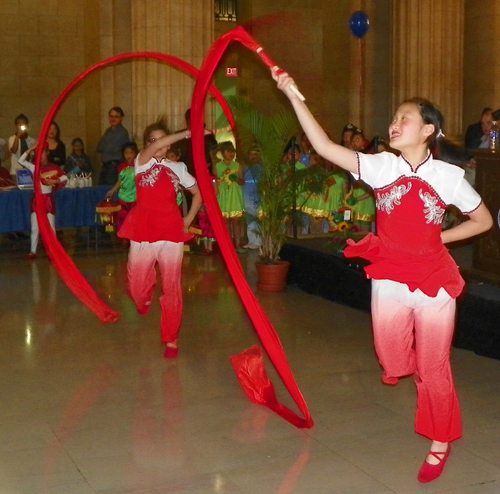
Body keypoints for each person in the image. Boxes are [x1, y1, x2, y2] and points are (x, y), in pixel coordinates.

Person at [274, 70, 493, 483]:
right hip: (390, 273)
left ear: (429, 130)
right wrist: (291, 95)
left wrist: (440, 237)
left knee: (434, 365)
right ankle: (410, 363)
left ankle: (439, 441)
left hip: (432, 277)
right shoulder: (380, 166)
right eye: (394, 117)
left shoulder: (449, 177)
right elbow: (322, 145)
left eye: (404, 117)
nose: (394, 123)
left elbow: (481, 220)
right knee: (390, 355)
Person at [117, 120, 202, 358]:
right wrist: (188, 132)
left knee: (172, 286)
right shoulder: (142, 162)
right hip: (143, 230)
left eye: (162, 141)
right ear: (147, 145)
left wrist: (188, 219)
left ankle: (171, 338)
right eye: (153, 141)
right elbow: (156, 147)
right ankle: (144, 297)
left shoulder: (179, 168)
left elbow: (197, 194)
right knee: (136, 286)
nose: (159, 145)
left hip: (172, 231)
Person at [18, 141, 68, 258]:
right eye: (37, 153)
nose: (39, 156)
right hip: (37, 200)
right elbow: (21, 160)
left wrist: (55, 181)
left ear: (47, 153)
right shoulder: (34, 167)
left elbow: (65, 176)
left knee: (51, 227)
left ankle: (53, 251)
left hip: (48, 199)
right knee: (35, 227)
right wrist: (32, 148)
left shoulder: (54, 167)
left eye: (42, 153)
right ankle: (33, 251)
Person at [215, 141, 246, 253]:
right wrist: (219, 181)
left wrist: (236, 178)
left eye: (233, 151)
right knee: (226, 221)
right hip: (223, 196)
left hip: (234, 196)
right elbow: (214, 181)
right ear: (222, 153)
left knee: (236, 221)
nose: (231, 154)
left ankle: (237, 244)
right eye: (228, 151)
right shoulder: (217, 166)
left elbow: (242, 182)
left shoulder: (238, 165)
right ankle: (228, 245)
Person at [106, 141, 138, 235]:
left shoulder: (138, 166)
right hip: (123, 196)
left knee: (134, 216)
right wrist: (113, 191)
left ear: (135, 153)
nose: (128, 155)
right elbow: (119, 181)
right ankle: (124, 235)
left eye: (131, 153)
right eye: (126, 153)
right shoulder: (121, 167)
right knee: (123, 216)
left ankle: (134, 234)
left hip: (135, 196)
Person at [97, 107, 130, 185]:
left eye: (116, 116)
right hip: (105, 167)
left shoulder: (122, 132)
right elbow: (99, 147)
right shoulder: (108, 130)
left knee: (110, 191)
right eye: (111, 116)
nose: (113, 119)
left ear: (121, 118)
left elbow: (109, 147)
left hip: (114, 167)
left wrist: (106, 146)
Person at [242, 146, 262, 249]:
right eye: (251, 154)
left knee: (257, 217)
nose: (253, 157)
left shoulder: (262, 169)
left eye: (255, 154)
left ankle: (258, 241)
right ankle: (251, 241)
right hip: (246, 194)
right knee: (249, 217)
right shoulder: (244, 169)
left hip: (257, 195)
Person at [8, 113, 35, 178]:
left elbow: (33, 156)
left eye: (23, 124)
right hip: (16, 171)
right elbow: (14, 150)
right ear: (16, 126)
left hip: (29, 170)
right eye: (19, 124)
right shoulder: (12, 138)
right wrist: (17, 137)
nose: (21, 126)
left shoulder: (31, 140)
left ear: (27, 126)